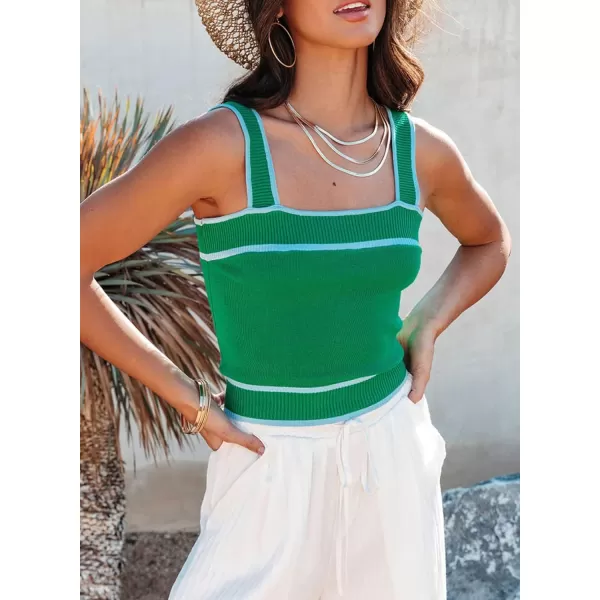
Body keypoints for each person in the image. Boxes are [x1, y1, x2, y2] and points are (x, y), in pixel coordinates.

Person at [80, 0, 511, 597]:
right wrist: (188, 399)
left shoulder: (418, 151)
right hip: (267, 466)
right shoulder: (222, 145)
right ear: (275, 7)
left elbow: (489, 241)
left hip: (391, 460)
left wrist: (429, 321)